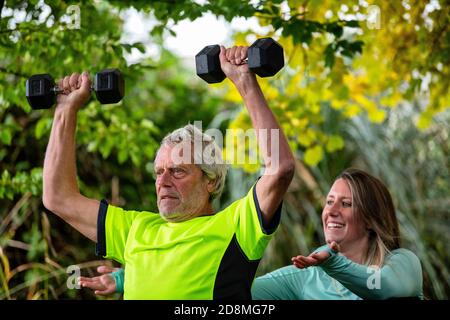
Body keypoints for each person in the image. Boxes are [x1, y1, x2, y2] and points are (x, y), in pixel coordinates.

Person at [42, 44, 295, 299]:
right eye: (158, 172)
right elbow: (58, 197)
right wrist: (65, 110)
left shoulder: (236, 227)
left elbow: (280, 169)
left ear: (210, 180)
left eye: (177, 172)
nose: (162, 182)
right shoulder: (135, 229)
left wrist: (244, 81)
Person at [80, 169, 423, 299]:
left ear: (370, 216)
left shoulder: (403, 263)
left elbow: (384, 289)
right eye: (329, 201)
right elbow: (220, 291)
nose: (331, 210)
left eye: (345, 204)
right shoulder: (305, 278)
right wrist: (134, 276)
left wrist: (332, 262)